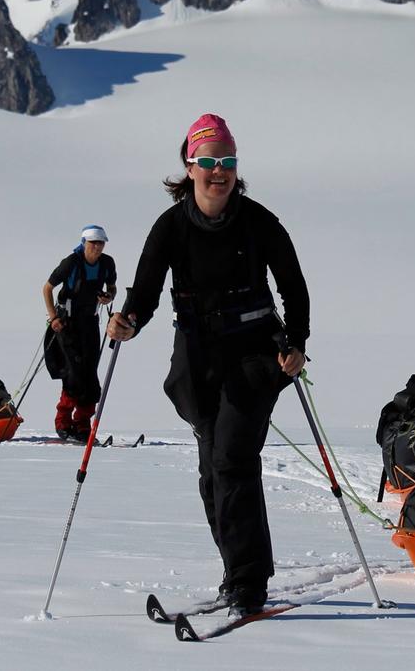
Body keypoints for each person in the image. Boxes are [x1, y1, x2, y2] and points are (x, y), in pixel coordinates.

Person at [107, 113, 308, 616]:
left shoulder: (259, 221)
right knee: (210, 473)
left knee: (232, 460)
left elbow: (294, 286)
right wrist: (128, 321)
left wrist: (297, 341)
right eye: (210, 161)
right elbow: (145, 292)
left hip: (256, 353)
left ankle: (248, 583)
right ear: (190, 166)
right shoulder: (171, 226)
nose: (220, 171)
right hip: (197, 359)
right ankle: (236, 572)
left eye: (228, 161)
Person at [43, 226, 117, 440]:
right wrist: (53, 317)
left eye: (101, 243)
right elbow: (47, 288)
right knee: (73, 373)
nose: (97, 247)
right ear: (84, 243)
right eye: (93, 243)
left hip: (90, 322)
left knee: (90, 374)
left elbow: (112, 287)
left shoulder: (107, 263)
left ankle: (82, 424)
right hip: (67, 323)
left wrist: (109, 297)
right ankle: (63, 422)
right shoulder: (71, 263)